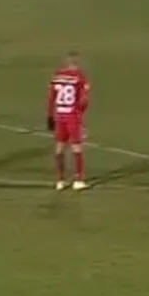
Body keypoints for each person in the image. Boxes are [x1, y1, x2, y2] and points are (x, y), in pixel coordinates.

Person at [46, 51, 90, 191]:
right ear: (77, 63)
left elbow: (51, 97)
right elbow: (84, 101)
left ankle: (60, 180)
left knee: (59, 147)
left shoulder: (57, 76)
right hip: (72, 116)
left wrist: (50, 116)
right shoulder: (80, 78)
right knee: (76, 147)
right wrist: (80, 116)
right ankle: (78, 180)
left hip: (59, 115)